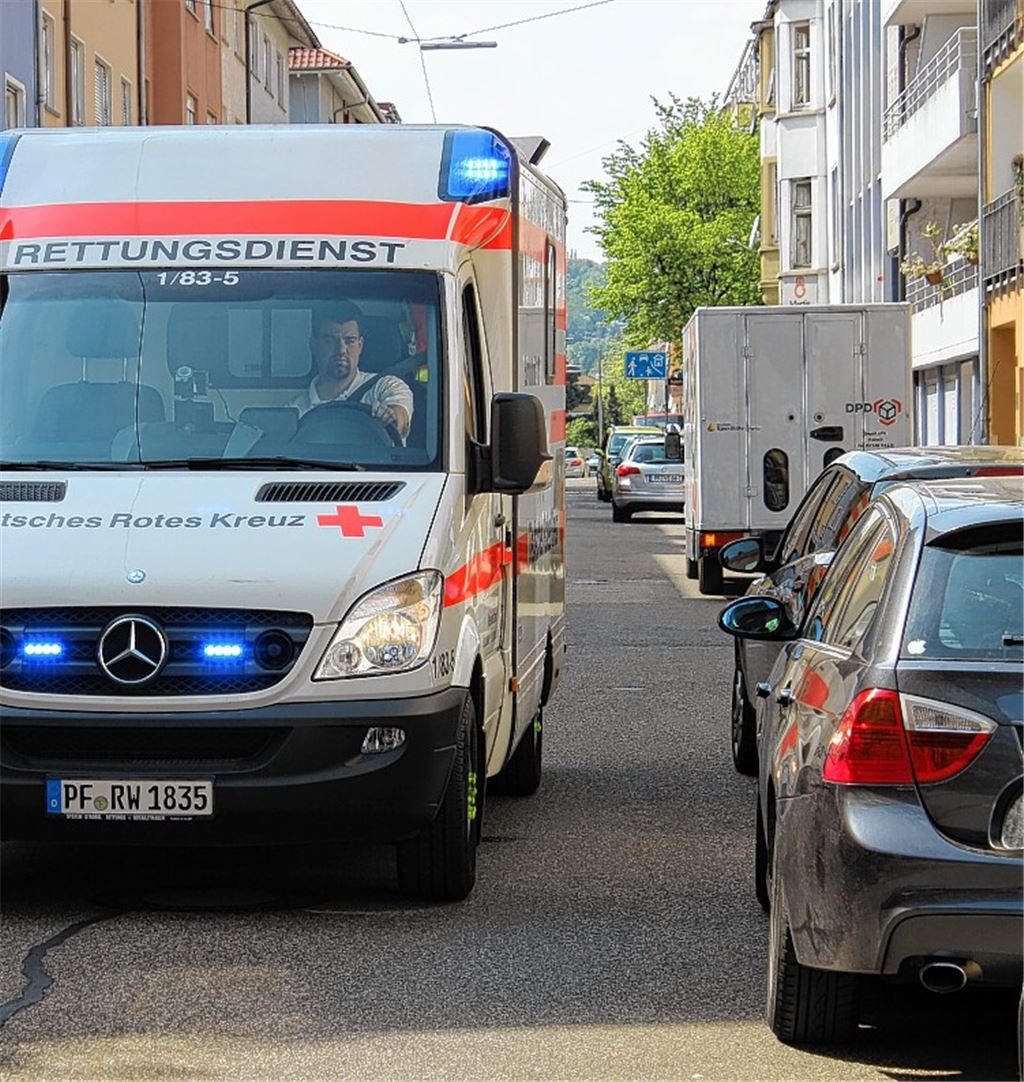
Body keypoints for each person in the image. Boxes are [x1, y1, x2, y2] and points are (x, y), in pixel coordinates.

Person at [290, 303, 413, 440]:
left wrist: (391, 417)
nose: (341, 350)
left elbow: (400, 418)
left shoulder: (386, 386)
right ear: (313, 345)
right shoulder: (294, 411)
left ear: (360, 346)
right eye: (330, 340)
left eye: (350, 341)